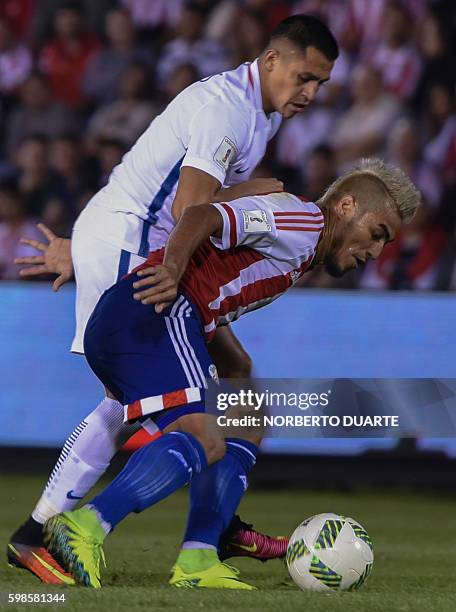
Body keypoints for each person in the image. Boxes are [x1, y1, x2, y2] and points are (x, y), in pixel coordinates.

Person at [9, 14, 338, 586]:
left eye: (321, 85)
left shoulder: (260, 115)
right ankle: (39, 535)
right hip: (134, 241)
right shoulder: (229, 110)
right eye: (304, 77)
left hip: (131, 241)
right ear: (272, 61)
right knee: (129, 401)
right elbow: (192, 207)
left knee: (188, 395)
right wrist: (249, 193)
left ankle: (213, 525)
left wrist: (82, 248)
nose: (309, 93)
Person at [43, 158, 421, 589]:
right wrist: (169, 268)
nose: (374, 253)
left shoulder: (301, 250)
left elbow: (215, 284)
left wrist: (236, 368)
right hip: (157, 309)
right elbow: (201, 215)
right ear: (347, 206)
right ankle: (86, 527)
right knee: (206, 438)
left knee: (246, 416)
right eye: (377, 235)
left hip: (154, 313)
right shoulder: (301, 219)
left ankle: (199, 557)